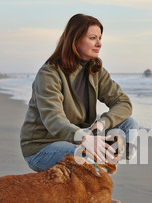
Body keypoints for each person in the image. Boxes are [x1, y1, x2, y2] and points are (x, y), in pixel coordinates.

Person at [20, 13, 138, 176]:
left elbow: (123, 103)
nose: (99, 44)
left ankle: (101, 167)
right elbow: (54, 120)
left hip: (81, 137)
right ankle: (97, 176)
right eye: (92, 38)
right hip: (43, 147)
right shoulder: (49, 74)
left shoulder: (95, 71)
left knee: (128, 124)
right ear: (75, 40)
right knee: (86, 155)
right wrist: (84, 139)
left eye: (100, 38)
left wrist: (102, 124)